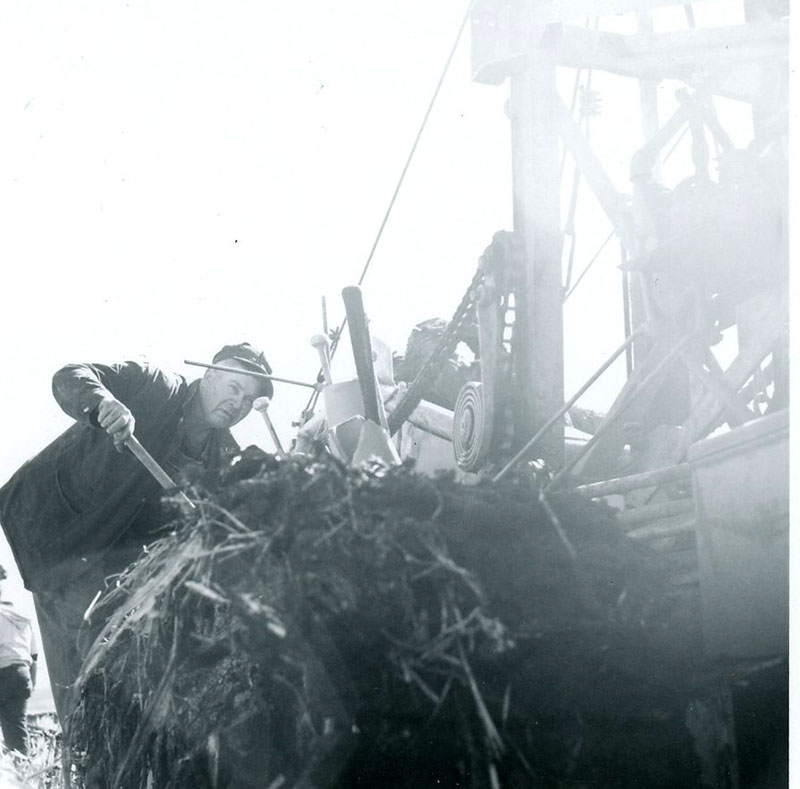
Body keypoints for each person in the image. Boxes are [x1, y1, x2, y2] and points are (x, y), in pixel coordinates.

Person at [0, 343, 272, 726]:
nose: (237, 404)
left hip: (122, 567)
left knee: (123, 669)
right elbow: (71, 375)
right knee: (83, 676)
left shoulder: (224, 458)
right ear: (209, 375)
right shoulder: (154, 385)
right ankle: (80, 760)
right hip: (62, 533)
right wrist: (104, 404)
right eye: (233, 387)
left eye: (248, 400)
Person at [0, 565, 37, 756]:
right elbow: (34, 656)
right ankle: (22, 774)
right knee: (17, 731)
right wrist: (31, 682)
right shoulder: (21, 615)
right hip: (22, 674)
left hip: (3, 673)